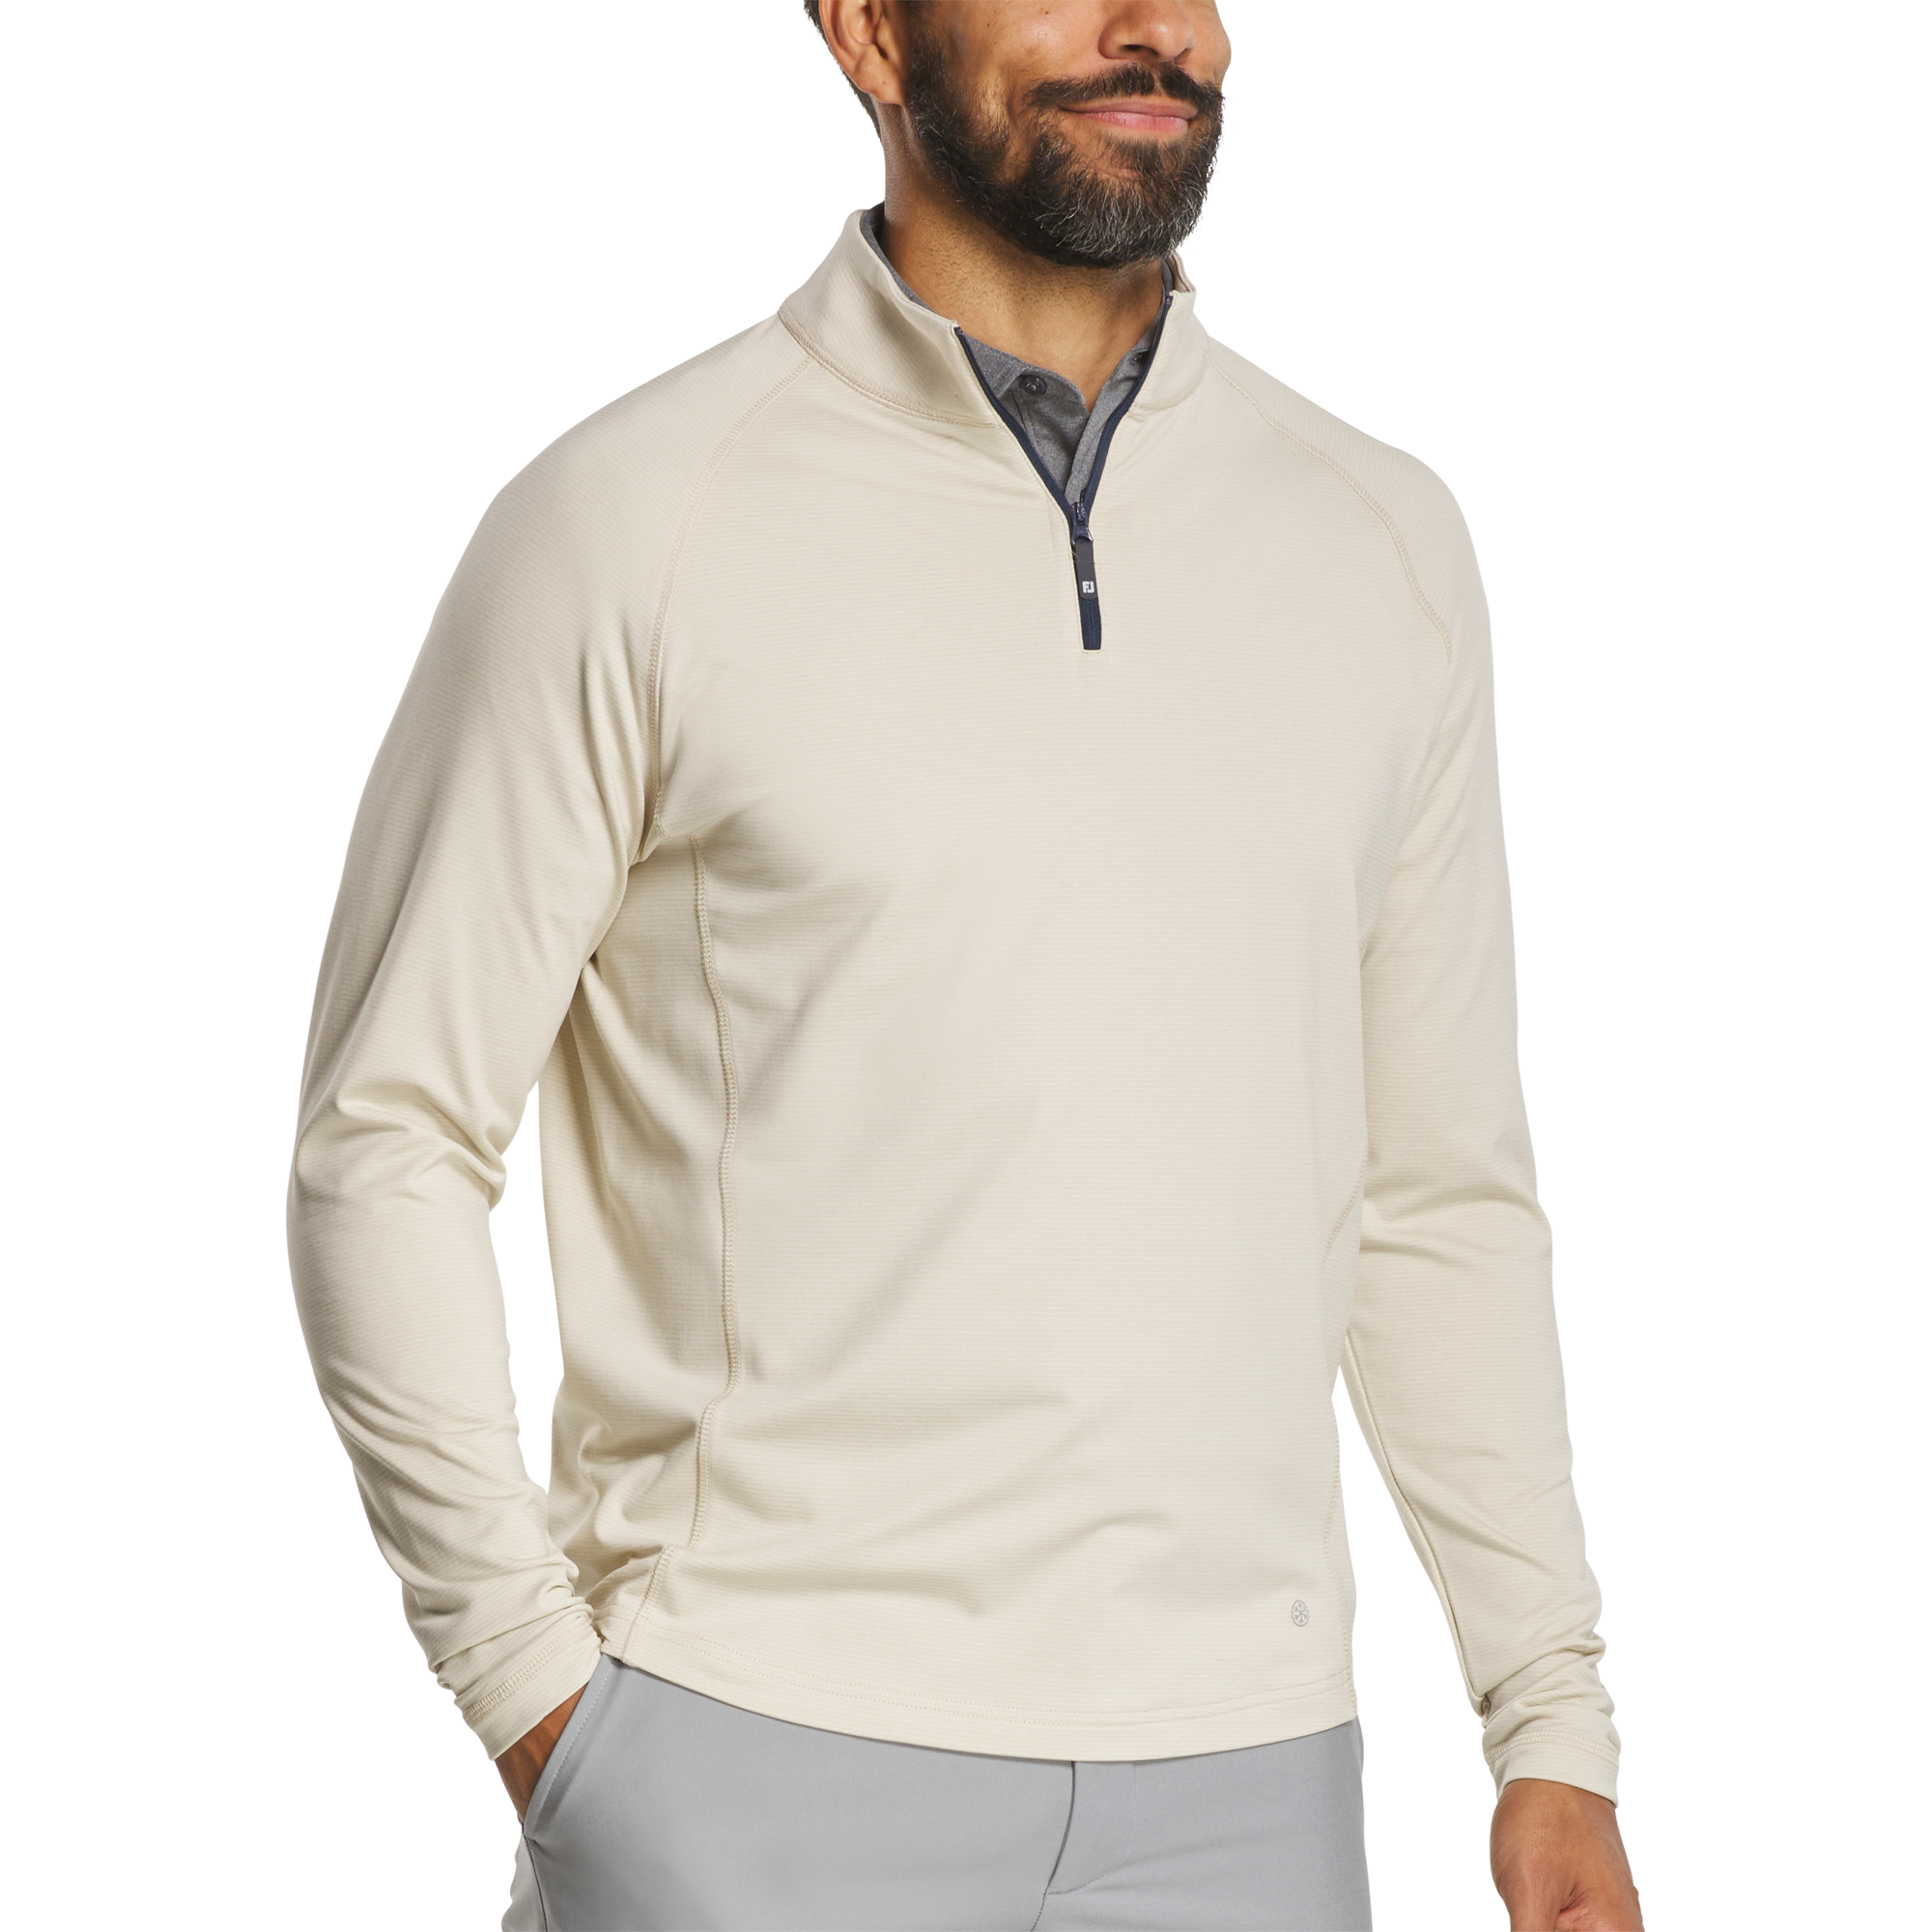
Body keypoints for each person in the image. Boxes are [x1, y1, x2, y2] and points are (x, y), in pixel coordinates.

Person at [287, 3, 1642, 1926]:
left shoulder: (1377, 543)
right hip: (752, 1753)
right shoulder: (637, 521)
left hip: (1247, 1784)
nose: (1152, 28)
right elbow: (387, 1134)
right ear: (864, 28)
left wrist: (1551, 1720)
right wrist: (539, 1703)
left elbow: (1437, 1195)